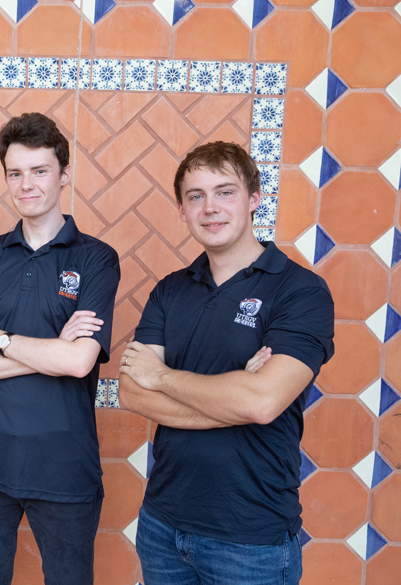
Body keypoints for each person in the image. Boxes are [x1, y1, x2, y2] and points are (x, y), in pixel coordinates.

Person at [118, 141, 335, 585]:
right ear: (181, 210)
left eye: (225, 192)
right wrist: (232, 396)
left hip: (250, 537)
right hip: (162, 525)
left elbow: (261, 403)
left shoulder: (300, 291)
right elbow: (130, 391)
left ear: (254, 199)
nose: (210, 207)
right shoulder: (170, 291)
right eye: (195, 196)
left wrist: (161, 376)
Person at [0, 112, 121, 584]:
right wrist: (51, 355)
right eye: (15, 173)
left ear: (64, 175)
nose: (27, 184)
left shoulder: (96, 258)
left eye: (39, 171)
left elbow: (80, 359)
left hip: (64, 468)